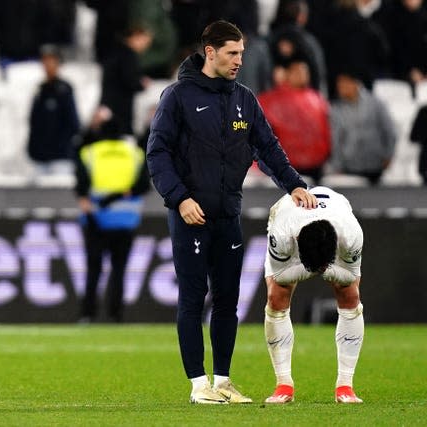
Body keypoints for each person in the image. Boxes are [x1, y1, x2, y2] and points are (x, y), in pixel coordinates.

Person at [146, 20, 317, 405]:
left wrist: (294, 185)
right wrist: (180, 198)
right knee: (192, 298)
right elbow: (157, 154)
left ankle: (222, 381)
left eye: (241, 53)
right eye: (232, 53)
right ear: (210, 52)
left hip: (227, 214)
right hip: (190, 214)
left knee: (228, 300)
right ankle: (197, 385)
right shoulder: (177, 97)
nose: (240, 60)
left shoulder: (244, 99)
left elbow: (268, 148)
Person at [262, 185, 364, 404]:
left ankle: (345, 386)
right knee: (276, 296)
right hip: (286, 213)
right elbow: (279, 276)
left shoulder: (351, 235)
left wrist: (328, 270)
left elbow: (352, 280)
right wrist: (312, 269)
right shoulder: (282, 234)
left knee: (349, 295)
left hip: (336, 210)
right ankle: (283, 385)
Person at [75, 109, 150, 323]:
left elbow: (81, 188)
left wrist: (93, 208)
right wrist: (121, 194)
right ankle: (115, 315)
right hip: (126, 221)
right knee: (119, 270)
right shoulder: (134, 153)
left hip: (96, 220)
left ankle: (87, 314)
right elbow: (143, 185)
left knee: (93, 269)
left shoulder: (89, 153)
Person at [258, 56, 331, 184]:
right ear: (286, 74)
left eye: (305, 72)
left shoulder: (317, 99)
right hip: (286, 166)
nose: (302, 75)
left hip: (317, 167)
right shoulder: (271, 100)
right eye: (297, 71)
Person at [330, 70, 396, 184]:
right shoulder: (336, 109)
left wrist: (388, 155)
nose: (340, 87)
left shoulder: (376, 103)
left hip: (375, 164)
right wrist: (337, 165)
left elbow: (389, 131)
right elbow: (335, 139)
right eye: (339, 84)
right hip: (349, 166)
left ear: (355, 83)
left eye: (344, 83)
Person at [27, 45, 80, 175]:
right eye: (45, 61)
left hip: (60, 157)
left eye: (51, 60)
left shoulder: (64, 90)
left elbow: (73, 123)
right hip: (40, 157)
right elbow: (34, 121)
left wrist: (63, 145)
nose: (47, 65)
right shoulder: (40, 89)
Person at [99, 24, 152, 136]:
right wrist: (142, 84)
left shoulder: (114, 50)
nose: (146, 46)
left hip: (107, 105)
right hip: (120, 109)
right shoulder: (128, 55)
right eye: (145, 41)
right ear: (135, 37)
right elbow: (130, 80)